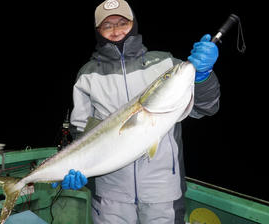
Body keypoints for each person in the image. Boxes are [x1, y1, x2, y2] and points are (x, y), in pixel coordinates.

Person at [52, 0, 220, 223]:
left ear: (134, 24)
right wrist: (81, 171)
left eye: (122, 22)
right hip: (110, 196)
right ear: (98, 31)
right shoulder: (87, 75)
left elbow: (206, 107)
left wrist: (203, 75)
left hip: (163, 193)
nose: (116, 30)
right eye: (107, 26)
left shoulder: (164, 63)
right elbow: (81, 132)